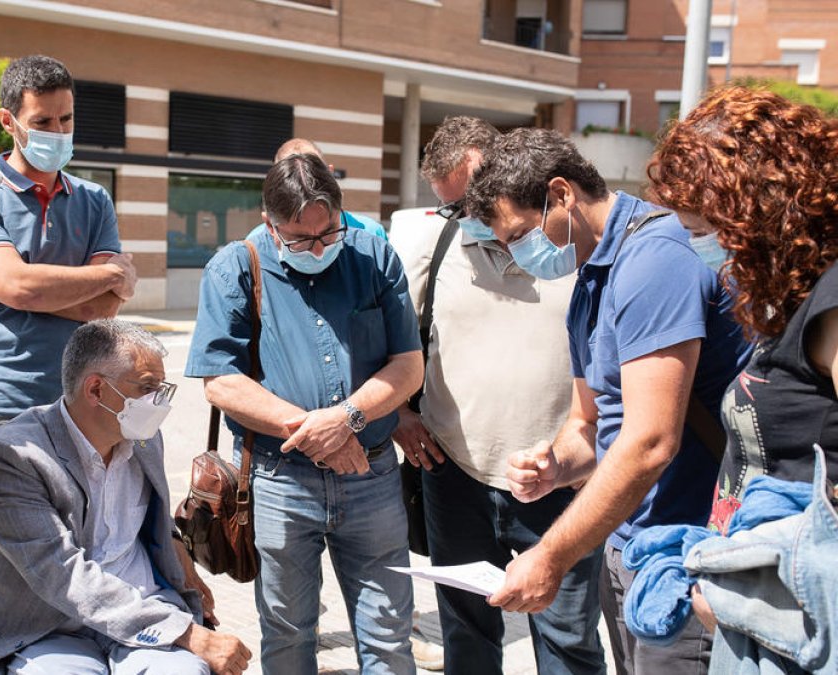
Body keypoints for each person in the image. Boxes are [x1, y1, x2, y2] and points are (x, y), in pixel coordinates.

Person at [464, 128, 751, 675]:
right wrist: (554, 465)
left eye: (521, 234)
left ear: (562, 194)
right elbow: (589, 424)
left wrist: (550, 555)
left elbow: (649, 443)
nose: (516, 254)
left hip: (683, 552)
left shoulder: (654, 261)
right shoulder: (591, 278)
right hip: (624, 546)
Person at [186, 153, 424, 674]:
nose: (317, 249)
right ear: (269, 222)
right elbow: (220, 382)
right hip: (280, 483)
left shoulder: (374, 257)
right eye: (299, 239)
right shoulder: (235, 266)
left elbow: (408, 365)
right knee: (289, 637)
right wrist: (321, 433)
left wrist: (347, 419)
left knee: (388, 636)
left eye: (328, 234)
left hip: (373, 477)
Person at [390, 117, 606, 675]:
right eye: (455, 207)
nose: (471, 217)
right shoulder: (432, 245)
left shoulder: (573, 250)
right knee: (466, 633)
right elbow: (391, 344)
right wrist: (402, 414)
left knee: (566, 641)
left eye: (476, 201)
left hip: (560, 483)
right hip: (454, 477)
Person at [646, 86, 838, 662]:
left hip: (799, 621)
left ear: (760, 210)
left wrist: (767, 578)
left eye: (704, 228)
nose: (697, 245)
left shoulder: (831, 303)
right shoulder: (794, 300)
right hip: (758, 612)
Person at [0, 319, 251, 675]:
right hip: (48, 625)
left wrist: (178, 552)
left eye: (162, 389)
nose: (158, 403)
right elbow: (62, 576)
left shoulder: (144, 437)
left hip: (145, 601)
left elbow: (149, 517)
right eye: (148, 388)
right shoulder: (13, 456)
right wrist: (185, 633)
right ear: (96, 390)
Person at [0, 54, 137, 450]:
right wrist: (113, 275)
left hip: (77, 402)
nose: (58, 131)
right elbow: (20, 287)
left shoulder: (95, 199)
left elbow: (98, 310)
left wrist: (0, 288)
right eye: (42, 123)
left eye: (65, 119)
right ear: (7, 121)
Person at [246, 137, 387, 242]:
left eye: (329, 232)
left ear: (330, 174)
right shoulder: (256, 243)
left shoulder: (371, 233)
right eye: (300, 238)